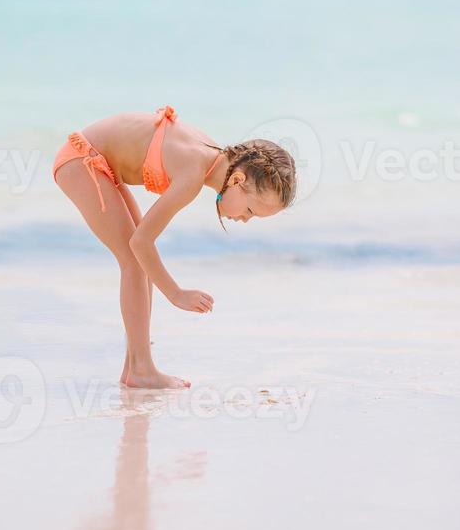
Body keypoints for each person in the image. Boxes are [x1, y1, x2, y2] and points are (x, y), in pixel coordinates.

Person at [53, 106, 297, 389]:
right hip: (81, 161)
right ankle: (141, 369)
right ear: (238, 179)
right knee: (134, 259)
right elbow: (141, 241)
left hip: (98, 164)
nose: (244, 220)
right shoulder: (193, 172)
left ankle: (134, 367)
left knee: (138, 262)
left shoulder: (210, 157)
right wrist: (176, 294)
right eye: (251, 211)